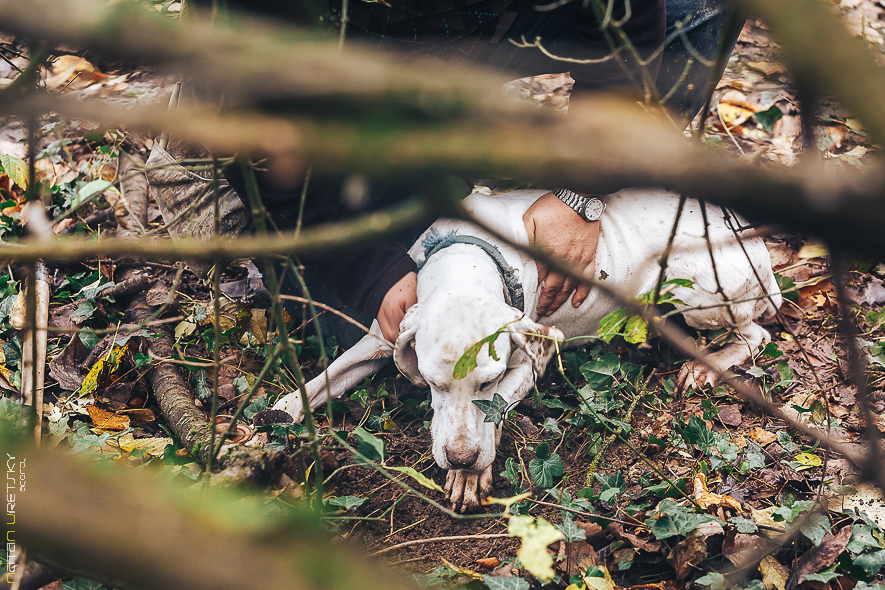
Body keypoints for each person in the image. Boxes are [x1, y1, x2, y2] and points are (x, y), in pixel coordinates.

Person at [213, 0, 741, 346]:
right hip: (340, 68)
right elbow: (252, 125)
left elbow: (633, 25)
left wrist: (582, 189)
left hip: (495, 28)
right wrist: (367, 269)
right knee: (383, 332)